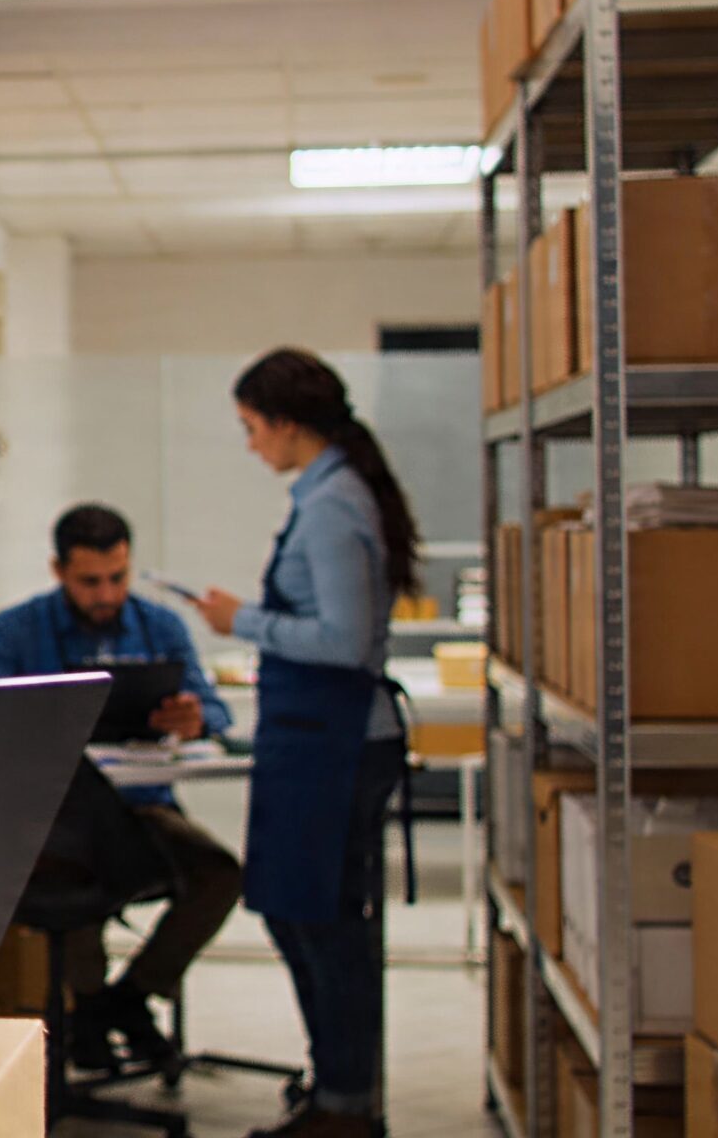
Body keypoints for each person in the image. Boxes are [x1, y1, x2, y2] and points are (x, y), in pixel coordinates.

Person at [188, 349, 416, 1138]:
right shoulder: (333, 492)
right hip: (314, 740)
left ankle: (346, 1106)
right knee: (298, 914)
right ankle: (338, 1087)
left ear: (287, 425)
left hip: (337, 745)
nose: (251, 445)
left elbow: (347, 642)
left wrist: (241, 621)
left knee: (323, 923)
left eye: (253, 428)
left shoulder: (331, 505)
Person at [0, 503, 240, 1072]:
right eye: (90, 582)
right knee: (75, 870)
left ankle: (124, 1001)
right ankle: (86, 1008)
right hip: (54, 819)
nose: (106, 594)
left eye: (118, 578)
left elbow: (213, 708)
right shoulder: (18, 631)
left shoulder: (160, 626)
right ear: (58, 570)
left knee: (220, 872)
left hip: (143, 808)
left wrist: (195, 717)